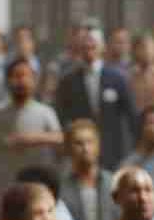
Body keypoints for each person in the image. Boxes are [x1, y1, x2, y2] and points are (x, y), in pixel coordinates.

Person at [55, 30, 137, 171]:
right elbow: (62, 115)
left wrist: (133, 148)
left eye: (93, 46)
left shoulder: (117, 78)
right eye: (85, 47)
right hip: (82, 148)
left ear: (102, 48)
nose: (89, 51)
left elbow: (131, 114)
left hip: (113, 148)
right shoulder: (68, 81)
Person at [0, 59, 63, 186]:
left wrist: (30, 138)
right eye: (16, 76)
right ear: (8, 81)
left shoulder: (45, 112)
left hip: (40, 181)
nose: (21, 81)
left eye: (25, 76)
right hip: (9, 182)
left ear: (34, 80)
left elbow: (59, 138)